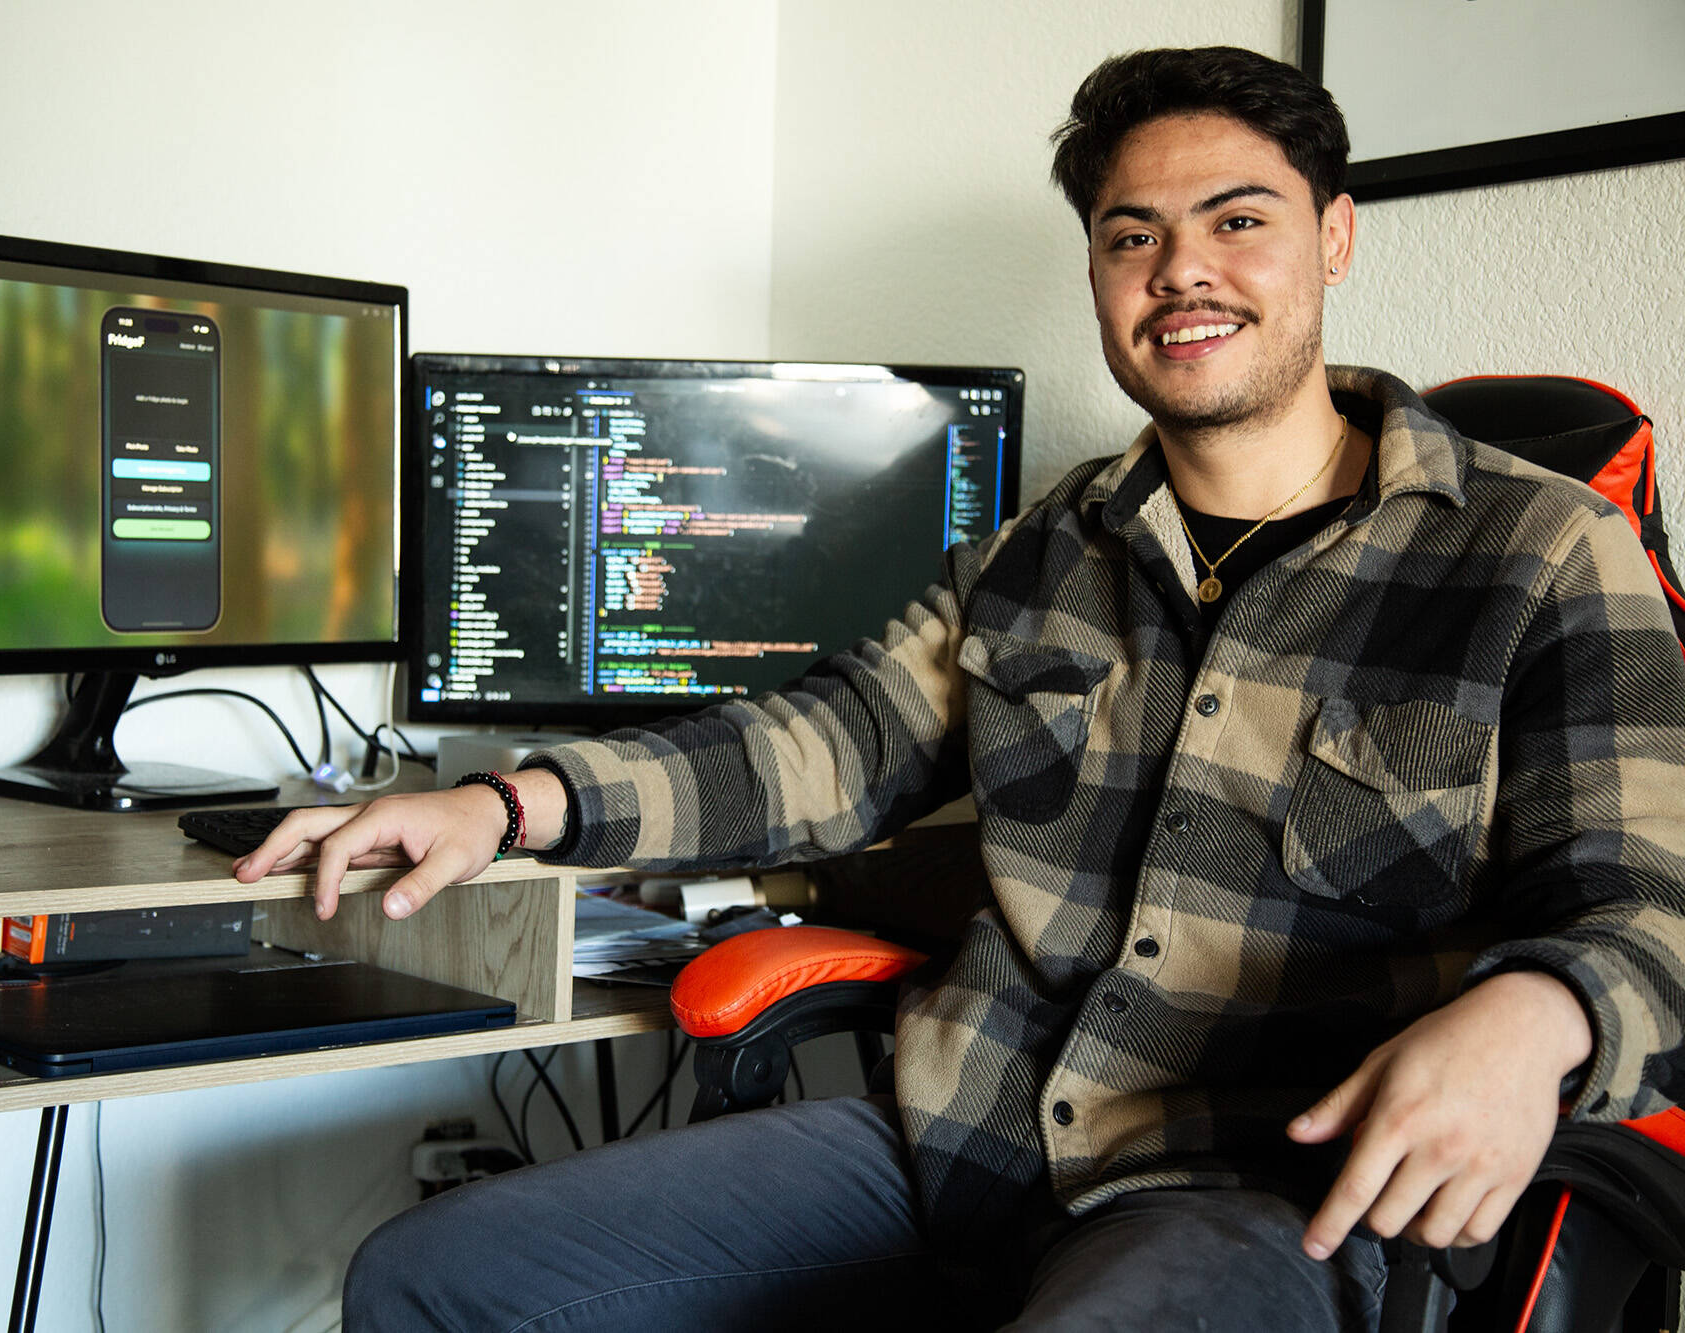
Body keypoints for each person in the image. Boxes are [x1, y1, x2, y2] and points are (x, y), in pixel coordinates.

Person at [235, 46, 1685, 1332]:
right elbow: (827, 742)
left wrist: (1541, 1014)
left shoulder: (1542, 549)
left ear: (1335, 239)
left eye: (1237, 221)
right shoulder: (1039, 549)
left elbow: (1655, 904)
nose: (1183, 270)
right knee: (435, 1275)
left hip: (1258, 1185)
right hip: (968, 1139)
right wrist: (507, 804)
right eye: (1136, 236)